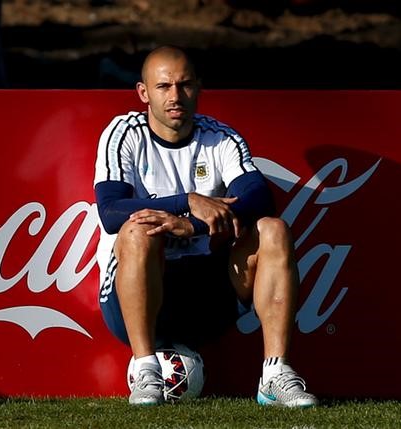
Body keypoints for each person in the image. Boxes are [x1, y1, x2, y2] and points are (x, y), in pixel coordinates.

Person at [93, 45, 317, 407]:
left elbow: (260, 200)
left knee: (273, 229)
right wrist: (186, 201)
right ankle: (146, 370)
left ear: (199, 87)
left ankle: (275, 375)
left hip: (206, 292)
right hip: (135, 295)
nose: (175, 96)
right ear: (143, 93)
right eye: (164, 87)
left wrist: (191, 225)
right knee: (136, 230)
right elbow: (111, 211)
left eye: (185, 85)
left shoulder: (221, 138)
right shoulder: (124, 133)